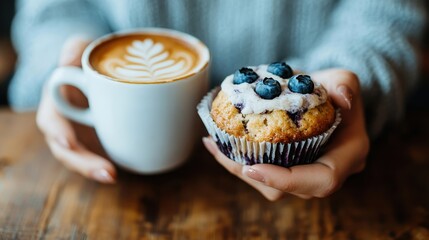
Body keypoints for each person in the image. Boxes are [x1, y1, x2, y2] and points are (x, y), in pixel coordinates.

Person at [8, 0, 428, 200]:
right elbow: (55, 10)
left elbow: (387, 14)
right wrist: (64, 61)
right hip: (115, 183)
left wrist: (350, 85)